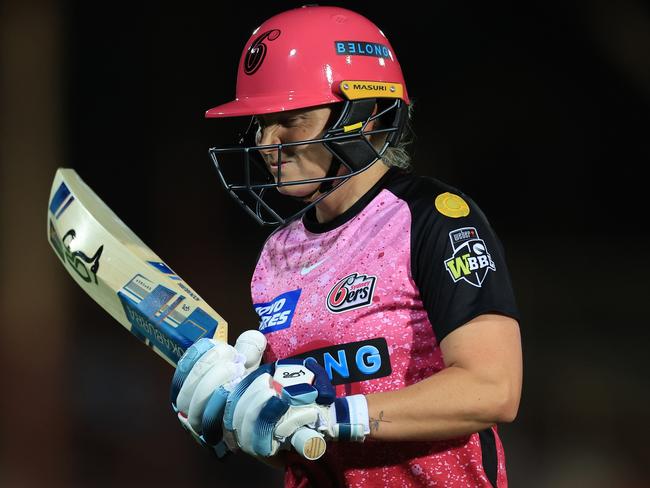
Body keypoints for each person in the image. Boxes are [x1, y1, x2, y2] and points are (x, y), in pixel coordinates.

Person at [170, 5, 523, 488]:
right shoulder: (277, 253)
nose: (265, 140)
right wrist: (243, 418)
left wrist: (337, 415)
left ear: (365, 113)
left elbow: (493, 389)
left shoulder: (432, 219)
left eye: (290, 118)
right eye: (260, 121)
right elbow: (301, 441)